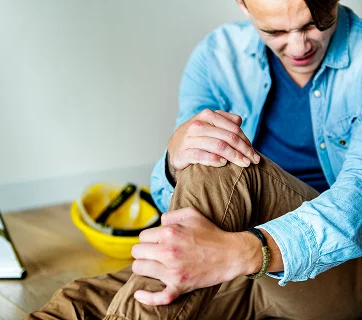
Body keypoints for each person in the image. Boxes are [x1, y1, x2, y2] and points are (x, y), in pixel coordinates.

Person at [27, 0, 362, 319]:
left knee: (221, 160)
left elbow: (354, 209)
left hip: (334, 272)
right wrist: (174, 161)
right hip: (233, 266)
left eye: (314, 25)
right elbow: (178, 202)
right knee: (80, 304)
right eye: (275, 32)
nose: (299, 46)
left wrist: (244, 252)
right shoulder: (218, 56)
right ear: (243, 4)